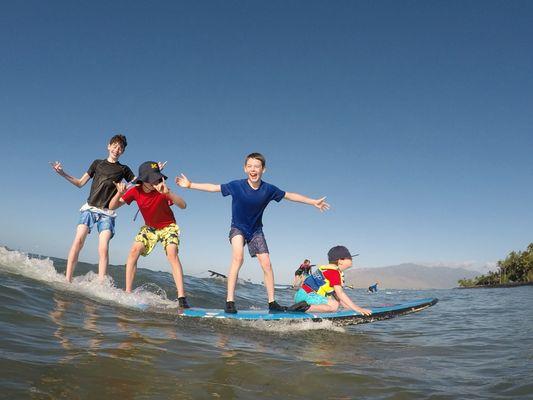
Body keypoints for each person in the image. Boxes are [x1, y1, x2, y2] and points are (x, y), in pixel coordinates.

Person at [175, 152, 329, 313]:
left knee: (267, 264)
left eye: (257, 166)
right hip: (238, 228)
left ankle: (272, 303)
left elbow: (290, 196)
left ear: (263, 169)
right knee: (238, 257)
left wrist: (313, 202)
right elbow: (214, 187)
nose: (253, 169)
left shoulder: (269, 189)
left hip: (256, 231)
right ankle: (229, 301)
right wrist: (190, 184)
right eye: (249, 166)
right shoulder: (236, 186)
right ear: (244, 168)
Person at [50, 134, 135, 282]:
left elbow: (138, 182)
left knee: (103, 247)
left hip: (107, 213)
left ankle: (101, 285)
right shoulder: (97, 163)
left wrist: (153, 173)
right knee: (79, 240)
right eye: (114, 146)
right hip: (89, 208)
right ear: (108, 146)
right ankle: (67, 279)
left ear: (123, 151)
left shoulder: (124, 169)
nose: (117, 149)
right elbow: (80, 183)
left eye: (120, 148)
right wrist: (62, 173)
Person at [109, 161, 190, 308]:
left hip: (168, 226)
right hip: (150, 228)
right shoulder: (135, 191)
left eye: (158, 178)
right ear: (144, 180)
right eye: (153, 179)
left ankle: (182, 298)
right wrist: (119, 193)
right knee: (134, 251)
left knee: (172, 253)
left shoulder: (162, 190)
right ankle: (128, 292)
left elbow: (183, 205)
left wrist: (168, 193)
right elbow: (112, 206)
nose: (157, 181)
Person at [290, 245, 372, 315]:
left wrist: (348, 308)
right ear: (340, 261)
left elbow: (336, 295)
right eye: (349, 257)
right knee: (334, 305)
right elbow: (340, 293)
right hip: (306, 297)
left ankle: (304, 307)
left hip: (301, 296)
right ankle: (303, 308)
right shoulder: (334, 273)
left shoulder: (329, 271)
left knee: (332, 302)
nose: (352, 259)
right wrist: (358, 309)